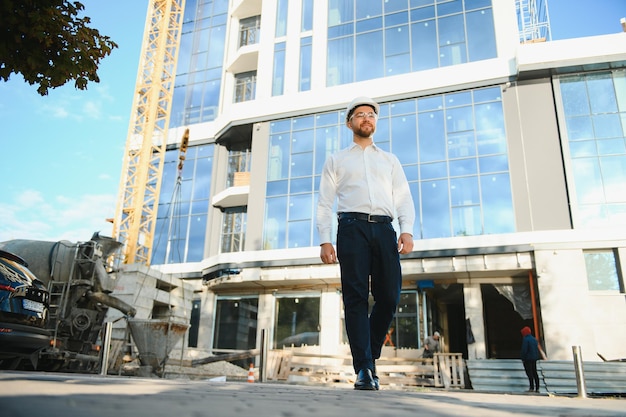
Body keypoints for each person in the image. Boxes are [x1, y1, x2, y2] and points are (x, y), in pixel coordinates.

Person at [316, 96, 415, 390]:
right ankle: (364, 369)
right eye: (360, 114)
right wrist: (324, 239)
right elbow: (324, 203)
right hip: (351, 228)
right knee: (356, 298)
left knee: (389, 296)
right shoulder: (336, 160)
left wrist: (406, 229)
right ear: (350, 123)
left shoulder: (389, 160)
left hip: (385, 229)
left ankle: (369, 356)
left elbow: (403, 197)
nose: (367, 118)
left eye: (371, 114)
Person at [520, 326, 540, 392]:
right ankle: (537, 388)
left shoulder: (526, 339)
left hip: (527, 359)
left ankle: (531, 387)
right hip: (534, 358)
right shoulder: (534, 339)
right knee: (535, 372)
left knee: (529, 373)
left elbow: (524, 350)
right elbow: (537, 349)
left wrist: (523, 358)